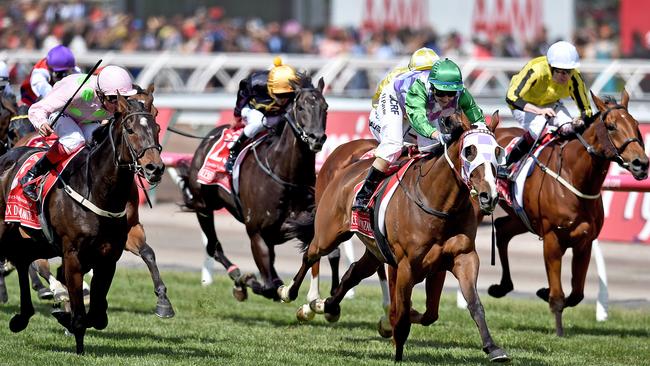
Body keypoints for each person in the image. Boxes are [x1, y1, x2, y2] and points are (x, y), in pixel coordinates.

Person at [353, 58, 485, 212]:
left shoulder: (461, 93)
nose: (447, 98)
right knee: (393, 146)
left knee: (429, 148)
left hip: (426, 106)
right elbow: (418, 119)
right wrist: (436, 134)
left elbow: (477, 117)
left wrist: (483, 133)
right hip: (395, 99)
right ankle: (364, 194)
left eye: (451, 93)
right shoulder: (419, 89)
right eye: (442, 92)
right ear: (433, 86)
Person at [20, 65, 137, 201]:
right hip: (59, 113)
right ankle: (33, 174)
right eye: (112, 98)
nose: (118, 105)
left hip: (85, 120)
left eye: (124, 98)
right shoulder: (79, 91)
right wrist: (41, 122)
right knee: (75, 140)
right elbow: (37, 108)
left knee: (103, 142)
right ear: (99, 92)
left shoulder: (111, 97)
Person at [502, 40, 592, 174]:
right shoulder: (536, 69)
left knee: (568, 127)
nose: (565, 77)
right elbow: (511, 97)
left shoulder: (574, 79)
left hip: (551, 104)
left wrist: (579, 121)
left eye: (568, 72)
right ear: (550, 67)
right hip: (524, 105)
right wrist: (539, 111)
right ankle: (507, 164)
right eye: (560, 72)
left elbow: (586, 110)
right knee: (538, 127)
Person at [225, 57, 299, 173]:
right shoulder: (257, 82)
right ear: (270, 87)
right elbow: (242, 95)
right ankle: (234, 150)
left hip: (276, 113)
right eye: (279, 94)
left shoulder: (295, 83)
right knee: (260, 123)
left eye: (287, 94)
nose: (283, 99)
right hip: (253, 109)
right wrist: (237, 116)